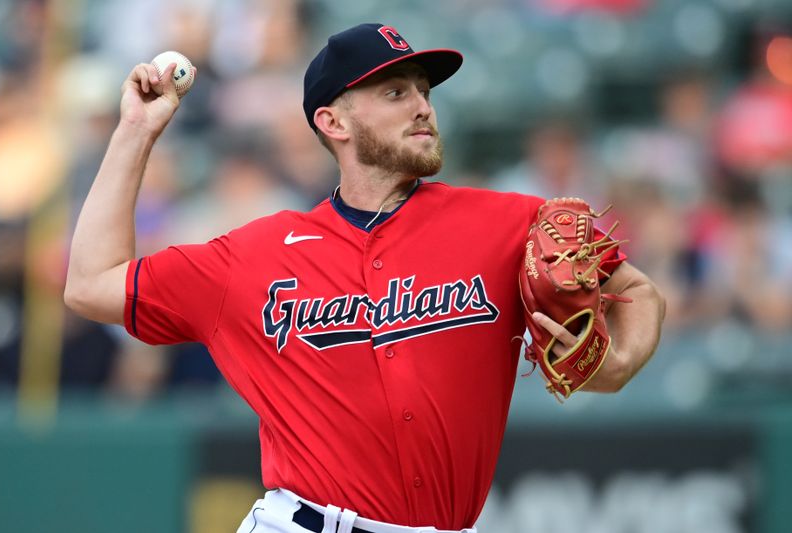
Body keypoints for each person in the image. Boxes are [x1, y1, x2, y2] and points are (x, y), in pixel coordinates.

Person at [64, 23, 665, 533]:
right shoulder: (253, 257)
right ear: (333, 121)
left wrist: (615, 364)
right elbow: (90, 284)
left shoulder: (508, 224)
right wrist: (136, 133)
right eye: (395, 92)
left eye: (424, 91)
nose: (423, 105)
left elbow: (639, 292)